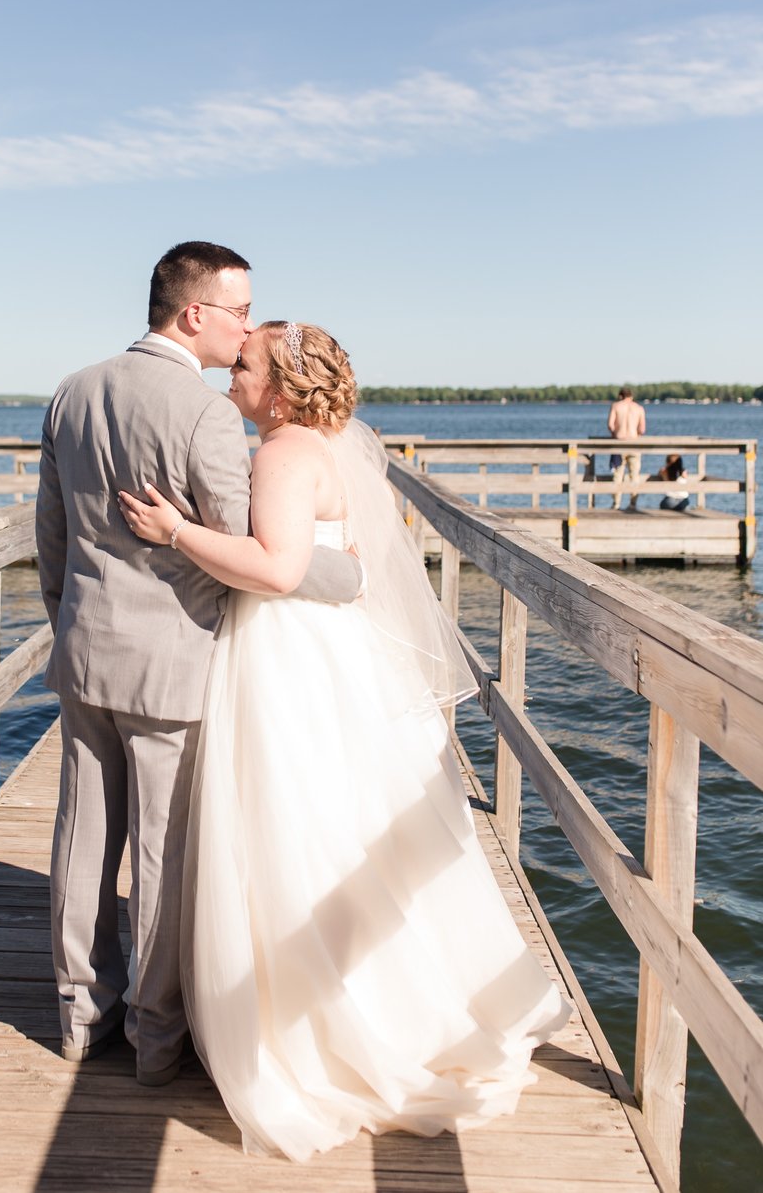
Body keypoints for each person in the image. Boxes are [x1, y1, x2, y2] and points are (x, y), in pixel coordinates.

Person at [119, 321, 571, 1161]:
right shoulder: (325, 446)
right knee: (340, 822)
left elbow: (281, 567)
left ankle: (329, 1023)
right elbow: (350, 560)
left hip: (289, 651)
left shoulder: (284, 455)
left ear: (282, 390)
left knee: (294, 824)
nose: (232, 378)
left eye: (245, 367)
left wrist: (174, 531)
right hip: (335, 651)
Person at [35, 244, 362, 1087]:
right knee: (160, 853)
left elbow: (51, 540)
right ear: (194, 316)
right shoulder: (204, 415)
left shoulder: (72, 391)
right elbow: (255, 550)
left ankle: (78, 1015)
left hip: (84, 650)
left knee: (82, 835)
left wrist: (68, 619)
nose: (248, 324)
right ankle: (153, 1035)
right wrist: (346, 569)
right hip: (174, 660)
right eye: (239, 311)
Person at [607, 386, 646, 511]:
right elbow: (642, 430)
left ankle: (616, 503)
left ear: (620, 396)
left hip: (619, 444)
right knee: (634, 475)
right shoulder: (639, 408)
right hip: (634, 444)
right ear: (631, 396)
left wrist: (615, 434)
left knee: (618, 476)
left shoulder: (616, 406)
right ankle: (633, 504)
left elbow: (610, 425)